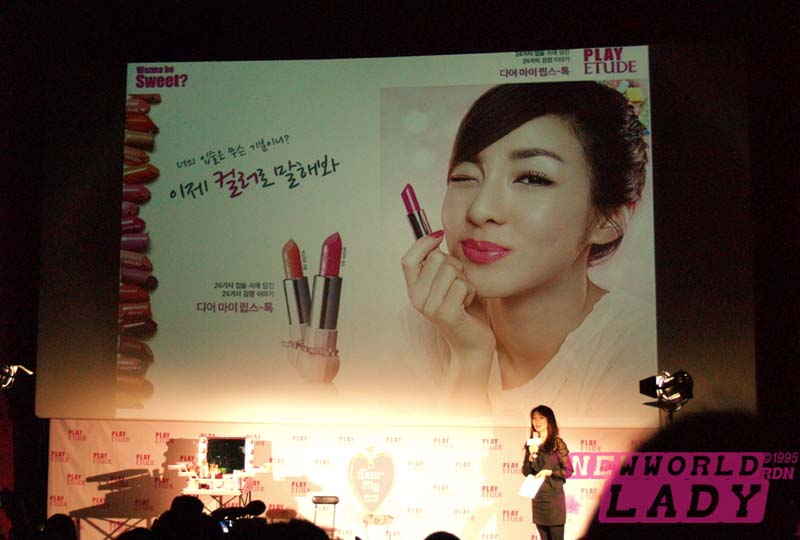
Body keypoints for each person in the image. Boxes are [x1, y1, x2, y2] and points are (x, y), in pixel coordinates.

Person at [401, 81, 656, 425]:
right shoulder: (429, 324)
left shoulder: (642, 347)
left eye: (532, 179)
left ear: (608, 220)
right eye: (464, 177)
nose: (480, 210)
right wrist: (469, 357)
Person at [521, 405, 573, 540]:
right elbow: (526, 472)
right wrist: (531, 458)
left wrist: (549, 472)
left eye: (541, 418)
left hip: (554, 498)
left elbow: (568, 471)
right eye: (534, 418)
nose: (537, 421)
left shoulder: (557, 443)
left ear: (549, 420)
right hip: (538, 498)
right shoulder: (532, 443)